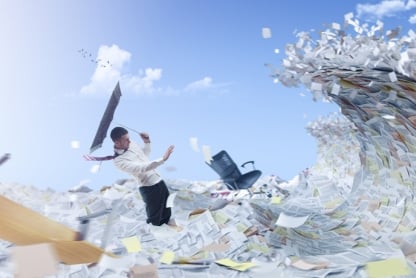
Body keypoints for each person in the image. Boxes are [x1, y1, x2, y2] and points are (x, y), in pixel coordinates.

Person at [110, 126, 174, 226]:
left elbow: (145, 156)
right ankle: (153, 238)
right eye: (126, 140)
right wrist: (163, 159)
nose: (129, 141)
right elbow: (141, 168)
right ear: (117, 142)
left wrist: (147, 142)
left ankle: (168, 233)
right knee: (154, 219)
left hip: (158, 179)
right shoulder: (118, 161)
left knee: (167, 210)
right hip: (149, 188)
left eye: (129, 138)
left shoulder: (132, 144)